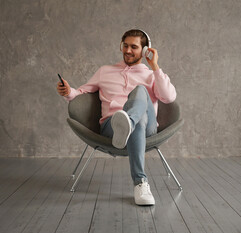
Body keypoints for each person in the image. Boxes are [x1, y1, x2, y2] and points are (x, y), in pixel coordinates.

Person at [57, 29, 176, 206]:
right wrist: (68, 92)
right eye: (125, 46)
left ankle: (128, 121)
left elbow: (169, 97)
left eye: (134, 47)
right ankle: (140, 183)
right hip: (112, 127)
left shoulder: (151, 75)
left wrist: (155, 67)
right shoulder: (105, 71)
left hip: (148, 130)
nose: (128, 50)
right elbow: (81, 92)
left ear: (145, 50)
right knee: (139, 122)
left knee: (140, 92)